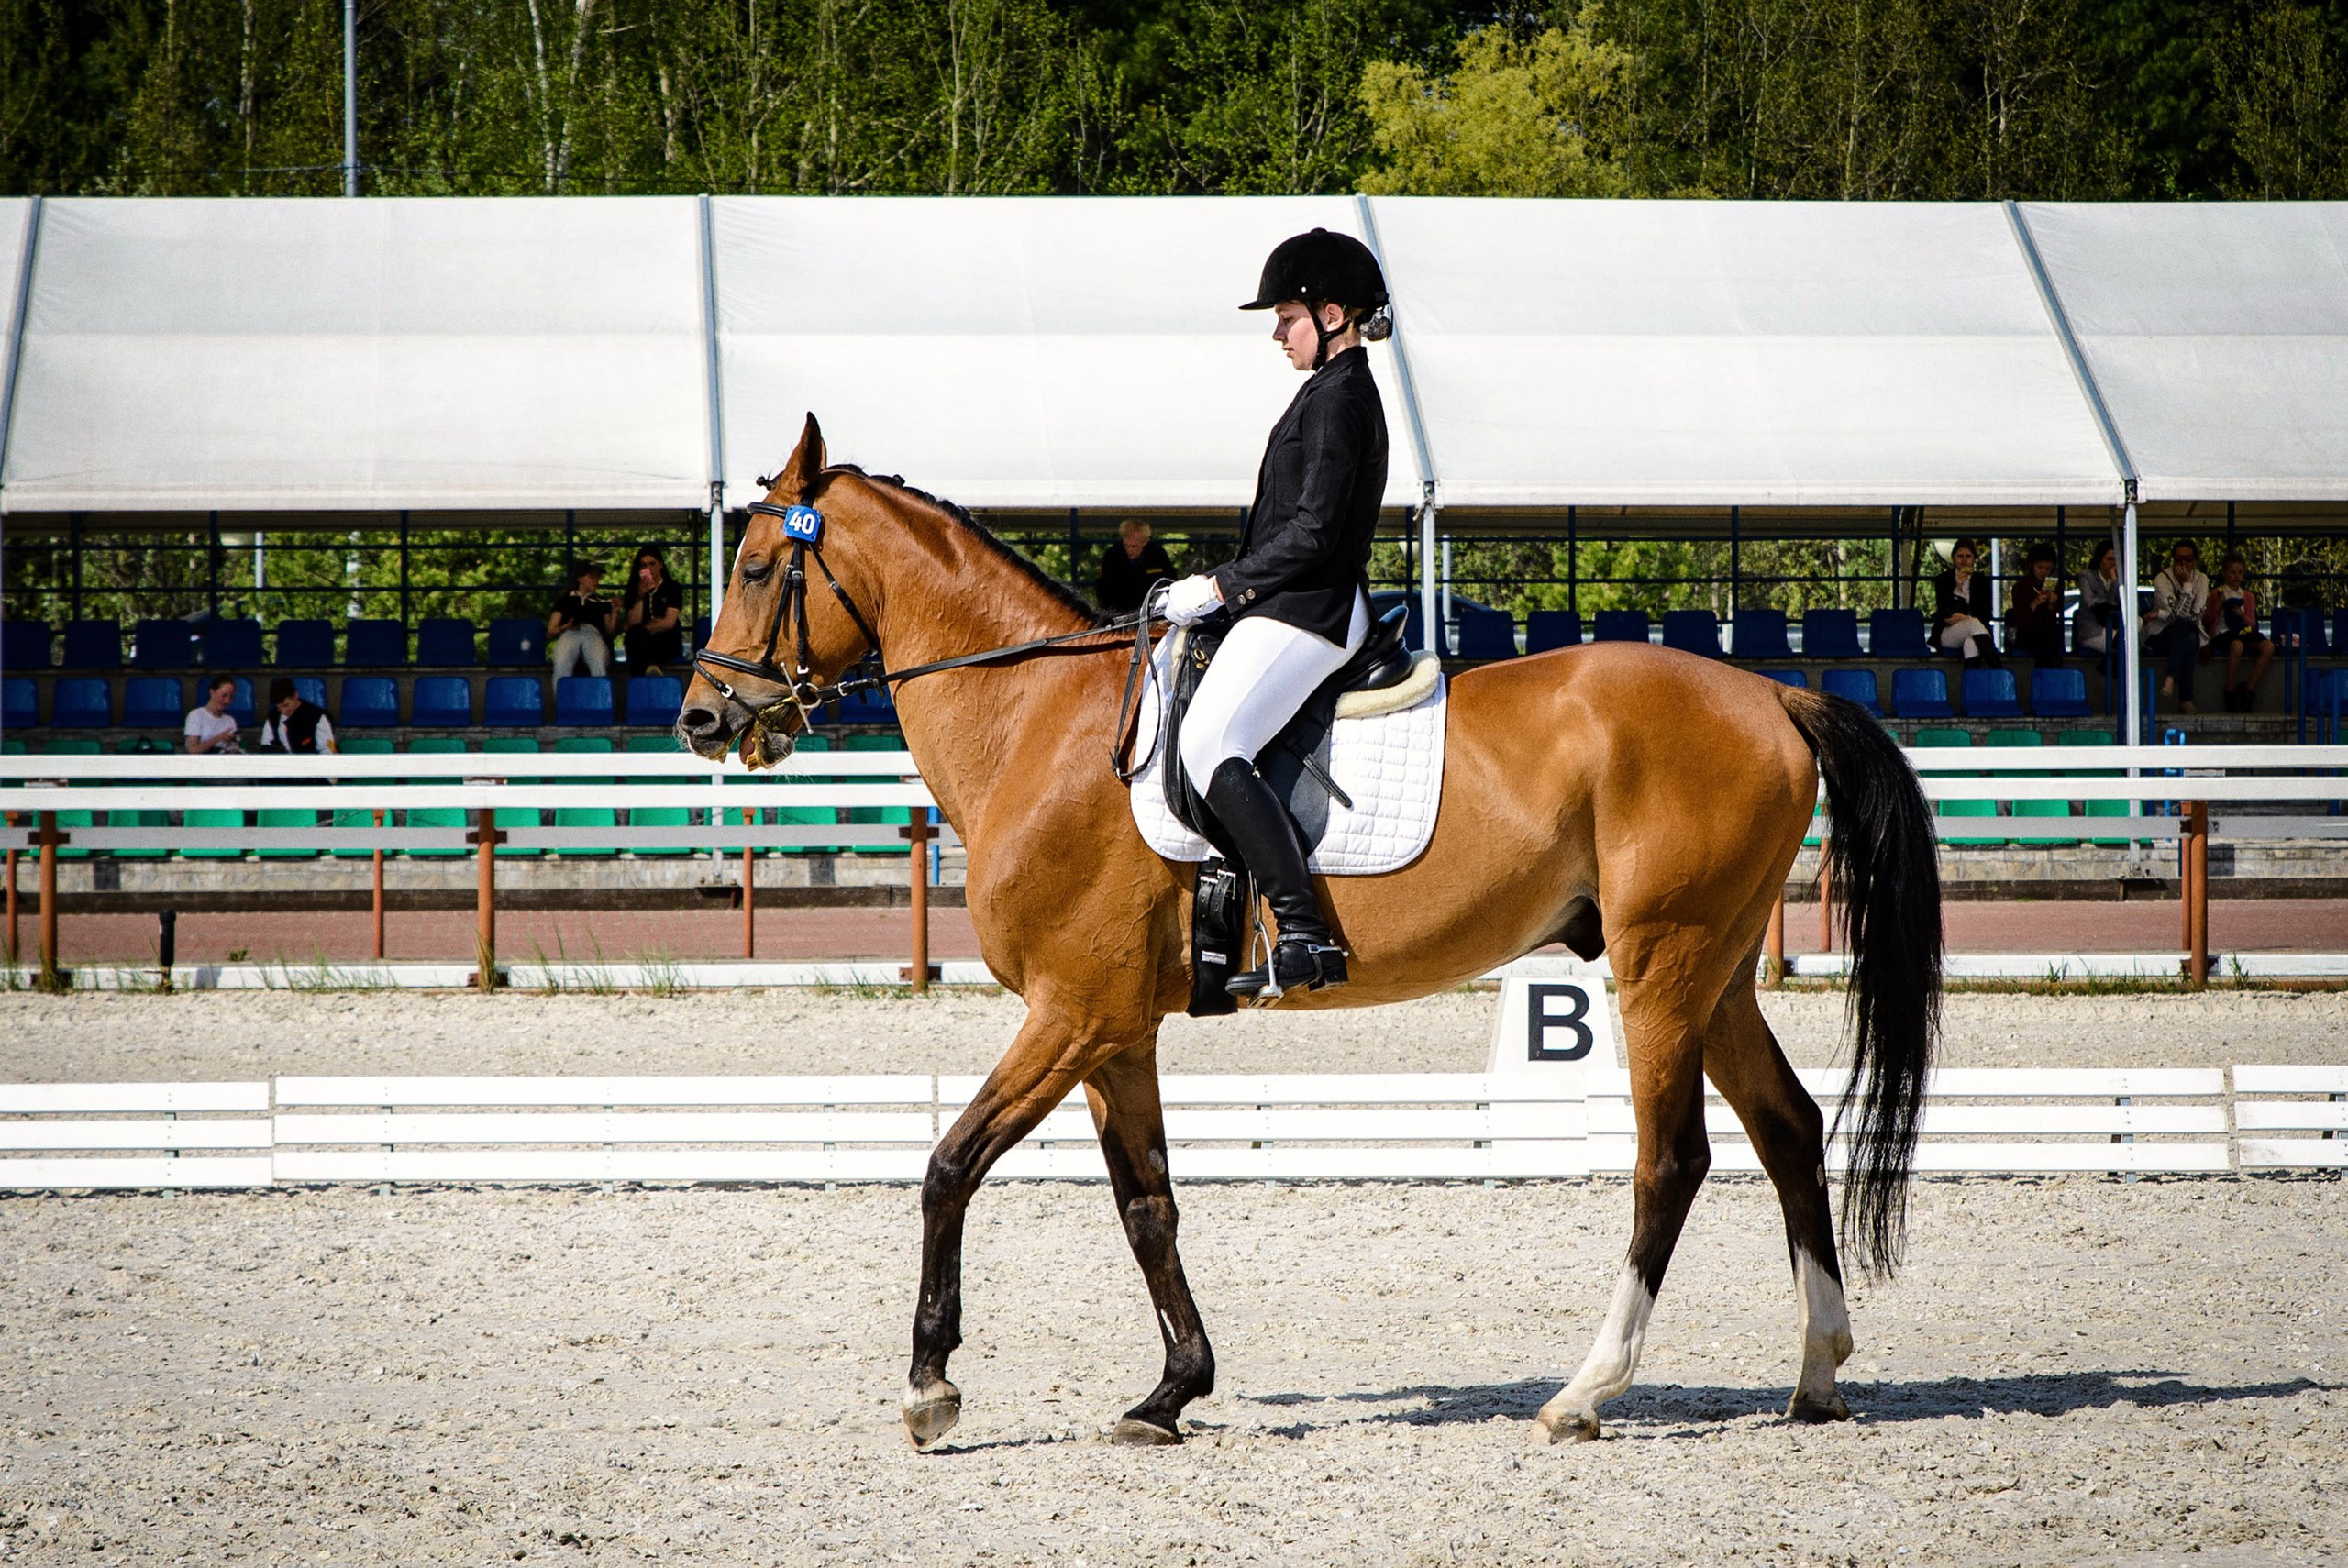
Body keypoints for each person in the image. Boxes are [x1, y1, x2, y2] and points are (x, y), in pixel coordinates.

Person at [1159, 227, 1393, 1000]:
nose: (1276, 333)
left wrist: (1221, 588)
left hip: (1309, 608)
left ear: (1331, 315)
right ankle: (1226, 923)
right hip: (1289, 600)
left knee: (1210, 739)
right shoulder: (1326, 390)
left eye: (1286, 316)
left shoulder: (1341, 397)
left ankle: (1304, 933)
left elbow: (1314, 531)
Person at [2143, 539, 2210, 713]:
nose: (2183, 564)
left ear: (2195, 560)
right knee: (2188, 636)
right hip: (2160, 633)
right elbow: (2177, 616)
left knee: (2188, 634)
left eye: (2187, 560)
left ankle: (2171, 677)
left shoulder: (2201, 580)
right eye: (2179, 560)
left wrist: (2159, 613)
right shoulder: (2162, 578)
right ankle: (2186, 699)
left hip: (2185, 631)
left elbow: (2196, 615)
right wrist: (2187, 586)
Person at [2202, 549, 2274, 712]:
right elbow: (2207, 620)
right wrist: (2218, 607)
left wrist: (2242, 615)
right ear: (2224, 573)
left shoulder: (2248, 597)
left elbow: (2252, 624)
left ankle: (2249, 689)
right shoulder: (2217, 593)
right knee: (2237, 646)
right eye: (2233, 572)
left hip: (2244, 631)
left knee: (2268, 647)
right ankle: (2229, 688)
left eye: (2240, 573)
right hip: (2224, 633)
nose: (2237, 577)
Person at [1930, 537, 1999, 666]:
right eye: (1960, 556)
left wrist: (1965, 617)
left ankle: (1971, 683)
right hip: (1949, 631)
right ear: (1953, 558)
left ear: (1973, 559)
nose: (1964, 560)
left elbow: (1986, 613)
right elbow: (1944, 612)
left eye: (1968, 556)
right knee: (1972, 623)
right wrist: (1957, 588)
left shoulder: (1981, 581)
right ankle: (1997, 668)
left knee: (1971, 643)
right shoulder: (1943, 580)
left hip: (1974, 630)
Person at [620, 546, 684, 674]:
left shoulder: (672, 588)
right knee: (635, 636)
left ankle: (648, 671)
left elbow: (669, 622)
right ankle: (650, 671)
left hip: (665, 639)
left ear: (660, 565)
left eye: (652, 564)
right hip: (641, 639)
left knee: (642, 642)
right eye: (644, 565)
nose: (648, 568)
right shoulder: (634, 591)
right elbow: (633, 622)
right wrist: (641, 596)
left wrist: (647, 627)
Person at [547, 562, 615, 679]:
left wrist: (615, 611)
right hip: (570, 633)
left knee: (597, 660)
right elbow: (550, 631)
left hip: (593, 634)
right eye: (591, 576)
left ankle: (599, 695)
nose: (596, 580)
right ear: (580, 578)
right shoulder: (565, 600)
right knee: (561, 661)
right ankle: (562, 695)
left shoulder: (602, 601)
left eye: (597, 577)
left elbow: (610, 632)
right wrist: (566, 627)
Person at [1094, 519, 1176, 614]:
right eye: (1126, 545)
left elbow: (1169, 582)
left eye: (1134, 546)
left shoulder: (1157, 555)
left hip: (1152, 611)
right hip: (1121, 612)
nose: (1129, 550)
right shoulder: (1112, 556)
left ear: (1145, 542)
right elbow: (1103, 589)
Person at [2007, 542, 2066, 664]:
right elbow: (2020, 620)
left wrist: (2051, 606)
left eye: (2048, 569)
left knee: (2052, 634)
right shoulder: (2020, 588)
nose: (2044, 572)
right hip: (2026, 632)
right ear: (2031, 565)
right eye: (2040, 567)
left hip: (2046, 631)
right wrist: (2034, 604)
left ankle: (2047, 672)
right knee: (2048, 637)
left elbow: (2052, 619)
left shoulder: (2054, 588)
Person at [257, 677, 336, 755]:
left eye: (286, 705)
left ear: (295, 695)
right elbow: (266, 747)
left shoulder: (316, 717)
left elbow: (327, 751)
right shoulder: (273, 718)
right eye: (279, 708)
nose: (284, 711)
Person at [2075, 539, 2120, 657]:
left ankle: (2110, 669)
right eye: (2109, 559)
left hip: (2114, 627)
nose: (2113, 564)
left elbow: (2124, 602)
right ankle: (2109, 669)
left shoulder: (2119, 580)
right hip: (2092, 630)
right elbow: (2091, 602)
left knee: (2128, 639)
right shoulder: (2087, 576)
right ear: (2100, 559)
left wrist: (2115, 582)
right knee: (2122, 643)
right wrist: (2109, 601)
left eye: (2116, 560)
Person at [183, 674, 243, 755]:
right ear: (212, 692)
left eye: (231, 697)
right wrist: (218, 738)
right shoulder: (196, 715)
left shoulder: (230, 720)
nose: (227, 701)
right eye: (224, 696)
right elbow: (192, 750)